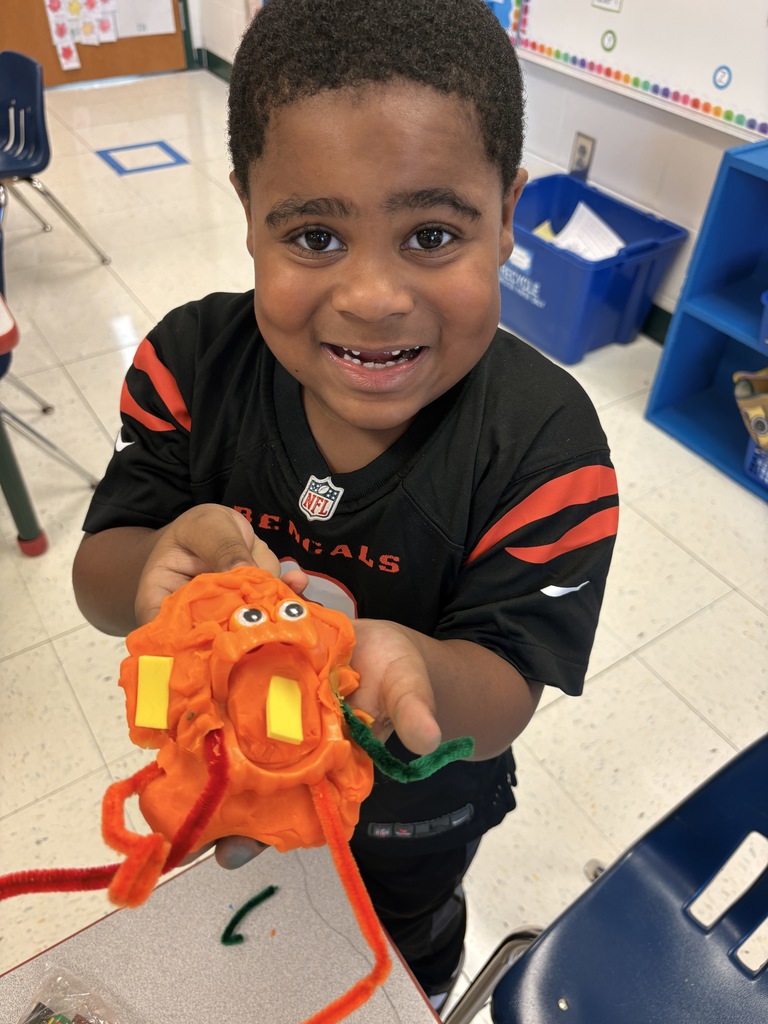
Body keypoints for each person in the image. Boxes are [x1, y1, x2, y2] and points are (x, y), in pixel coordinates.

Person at [73, 0, 619, 1011]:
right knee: (248, 943)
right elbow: (101, 574)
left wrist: (419, 667)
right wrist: (156, 571)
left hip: (415, 816)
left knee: (392, 956)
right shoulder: (188, 366)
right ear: (247, 209)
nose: (372, 295)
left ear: (507, 216)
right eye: (316, 234)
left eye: (432, 233)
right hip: (233, 785)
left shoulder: (549, 449)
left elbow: (504, 691)